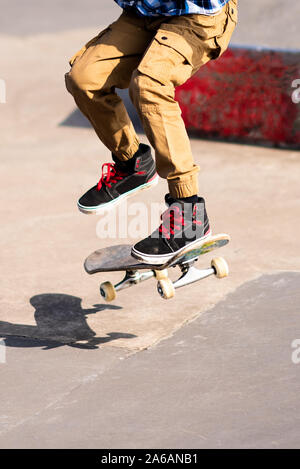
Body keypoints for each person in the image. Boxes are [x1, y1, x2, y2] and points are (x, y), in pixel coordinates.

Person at [65, 0, 238, 264]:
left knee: (149, 86)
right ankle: (133, 163)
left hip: (198, 17)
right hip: (143, 14)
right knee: (84, 79)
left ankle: (188, 213)